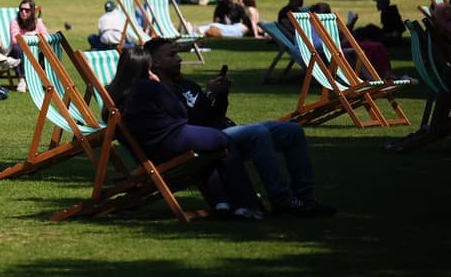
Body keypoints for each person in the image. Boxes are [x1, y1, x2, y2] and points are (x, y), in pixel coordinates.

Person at [154, 46, 335, 217]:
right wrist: (209, 94)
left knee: (292, 131)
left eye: (177, 53)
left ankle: (304, 198)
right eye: (172, 55)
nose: (179, 58)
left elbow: (212, 115)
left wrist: (221, 95)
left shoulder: (188, 85)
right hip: (205, 142)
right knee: (257, 132)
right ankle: (282, 200)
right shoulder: (159, 93)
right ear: (156, 62)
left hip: (222, 132)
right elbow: (189, 124)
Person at [106, 42, 263, 219]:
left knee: (208, 151)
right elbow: (181, 113)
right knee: (225, 142)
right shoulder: (152, 87)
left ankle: (222, 203)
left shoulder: (115, 94)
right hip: (172, 139)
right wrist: (159, 85)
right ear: (145, 67)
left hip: (149, 151)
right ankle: (245, 204)